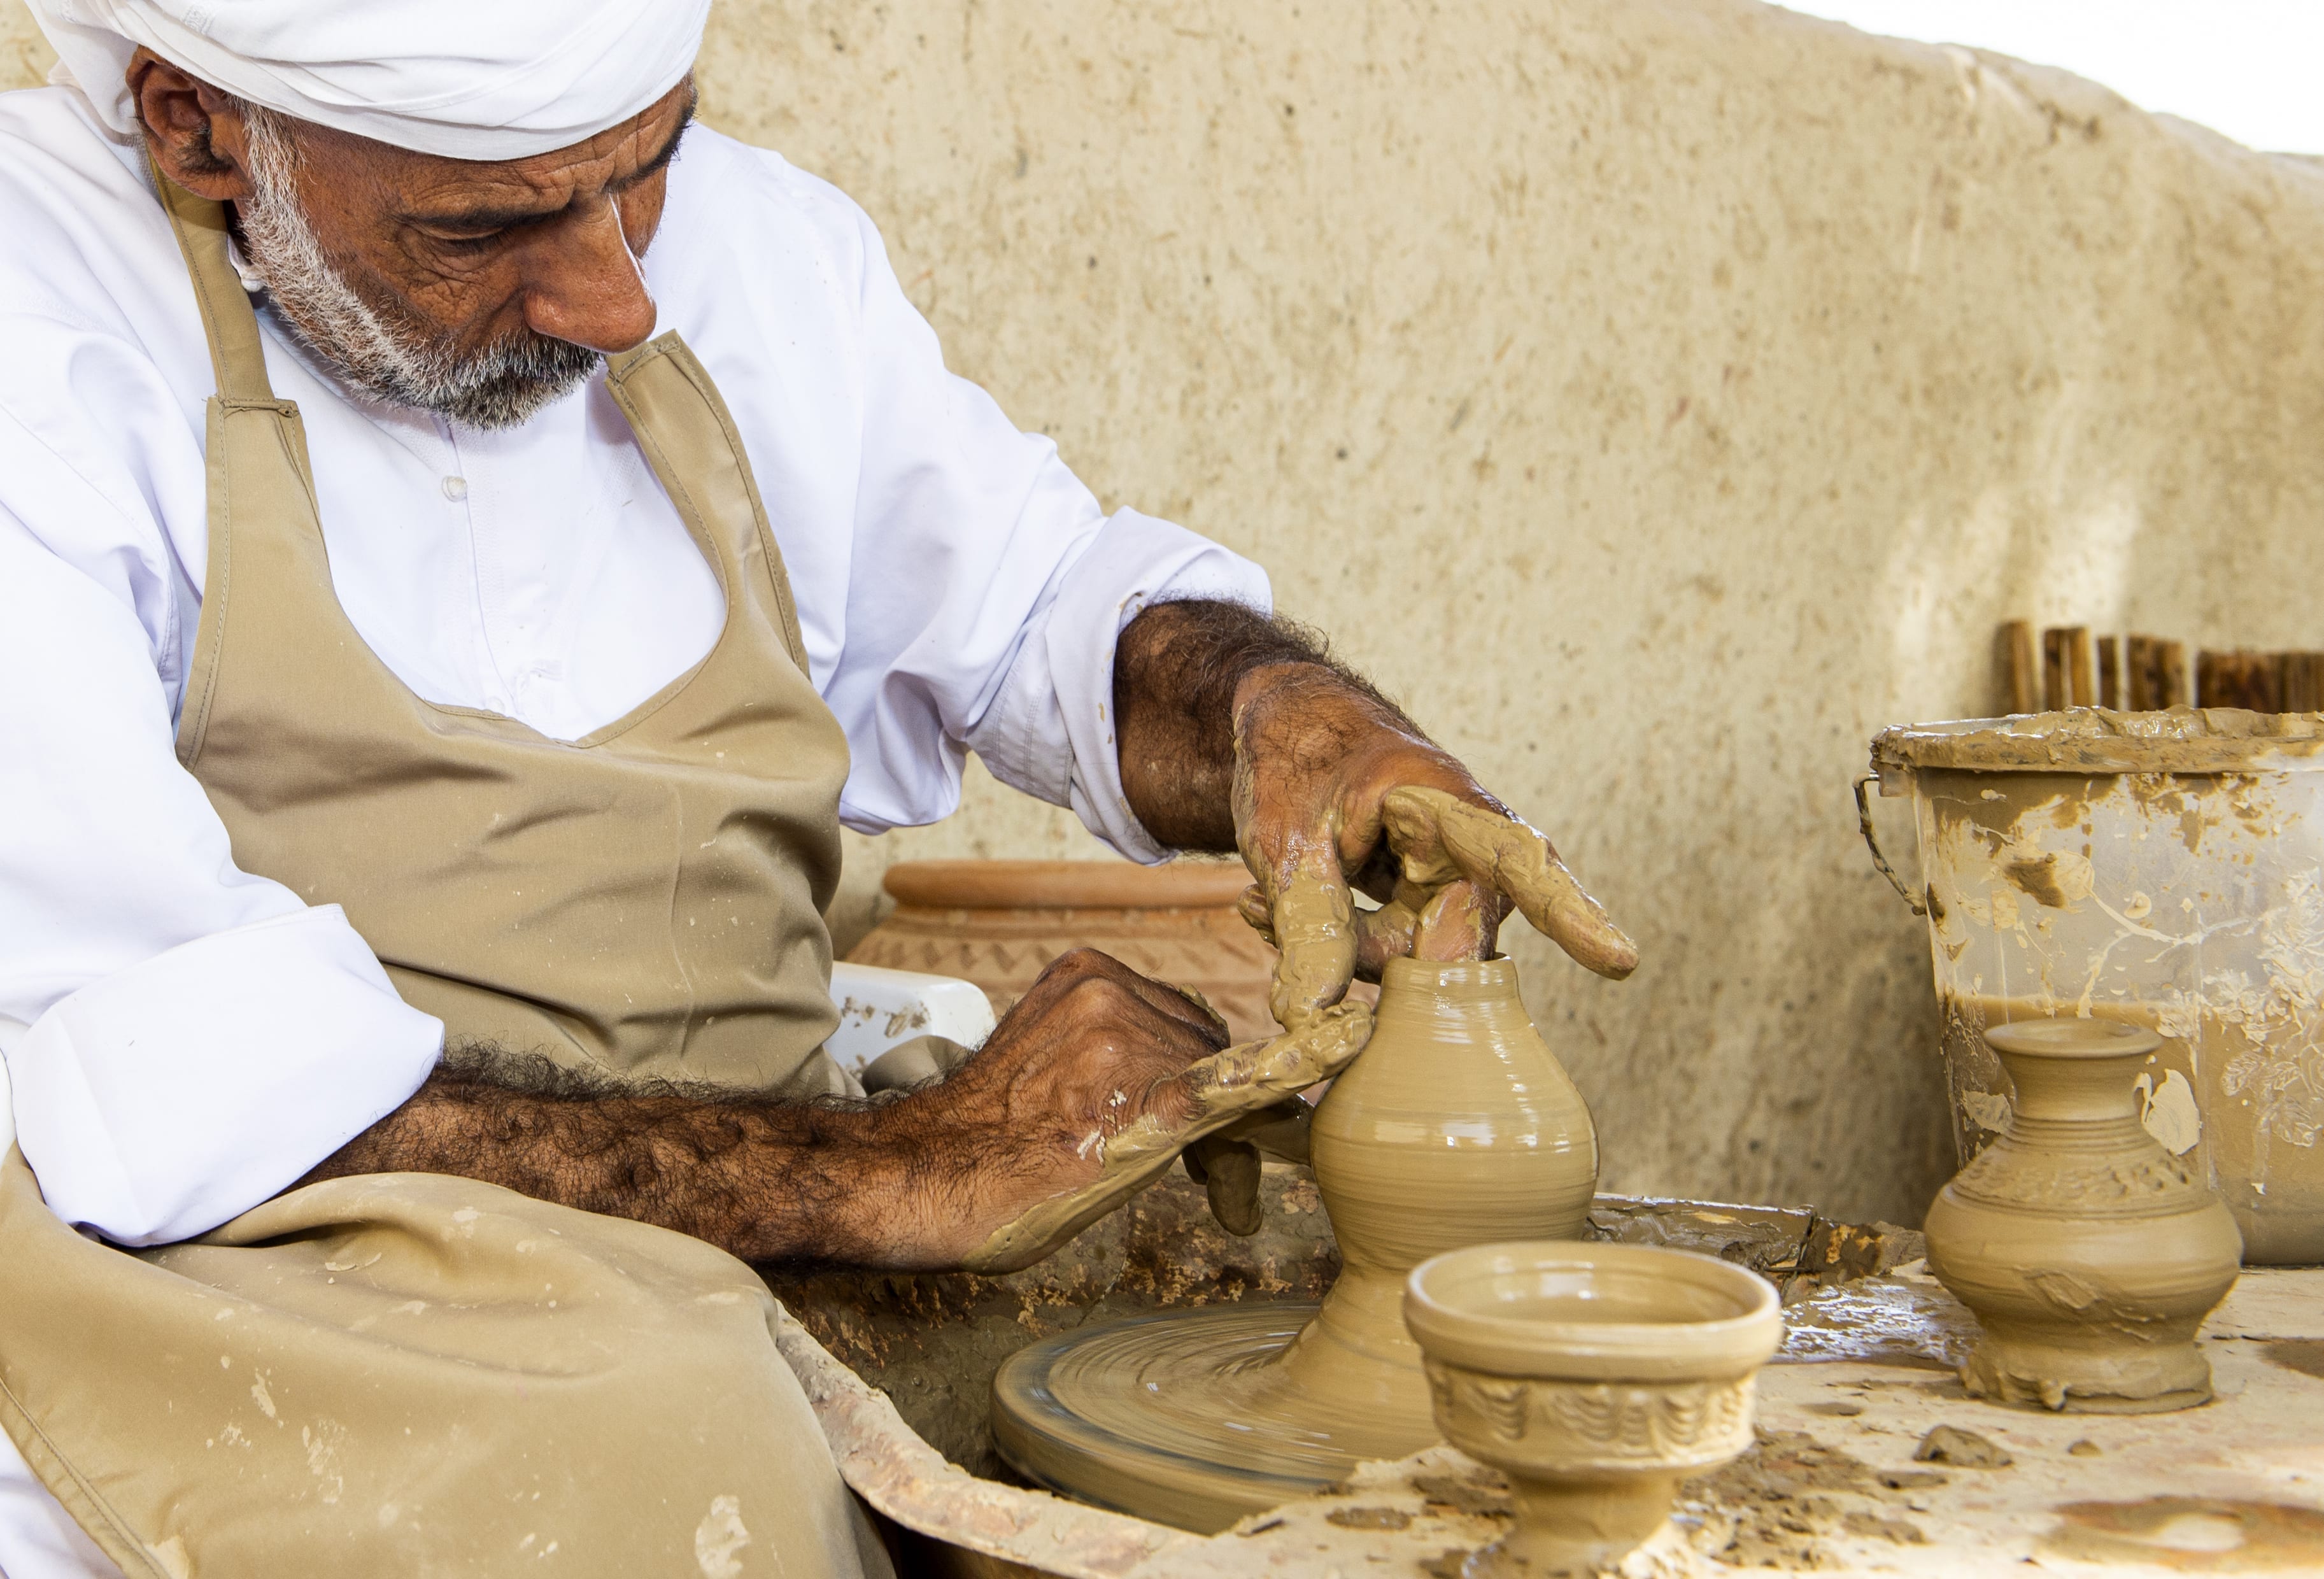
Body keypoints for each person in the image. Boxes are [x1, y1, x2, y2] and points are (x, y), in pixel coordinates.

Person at [0, 1, 1637, 1574]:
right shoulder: (41, 311)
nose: (615, 293)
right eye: (484, 230)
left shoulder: (759, 254)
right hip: (243, 1254)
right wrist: (901, 1173)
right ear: (198, 126)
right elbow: (186, 1095)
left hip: (735, 1181)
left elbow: (1039, 611)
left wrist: (1282, 716)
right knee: (665, 1445)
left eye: (642, 169)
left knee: (1271, 1279)